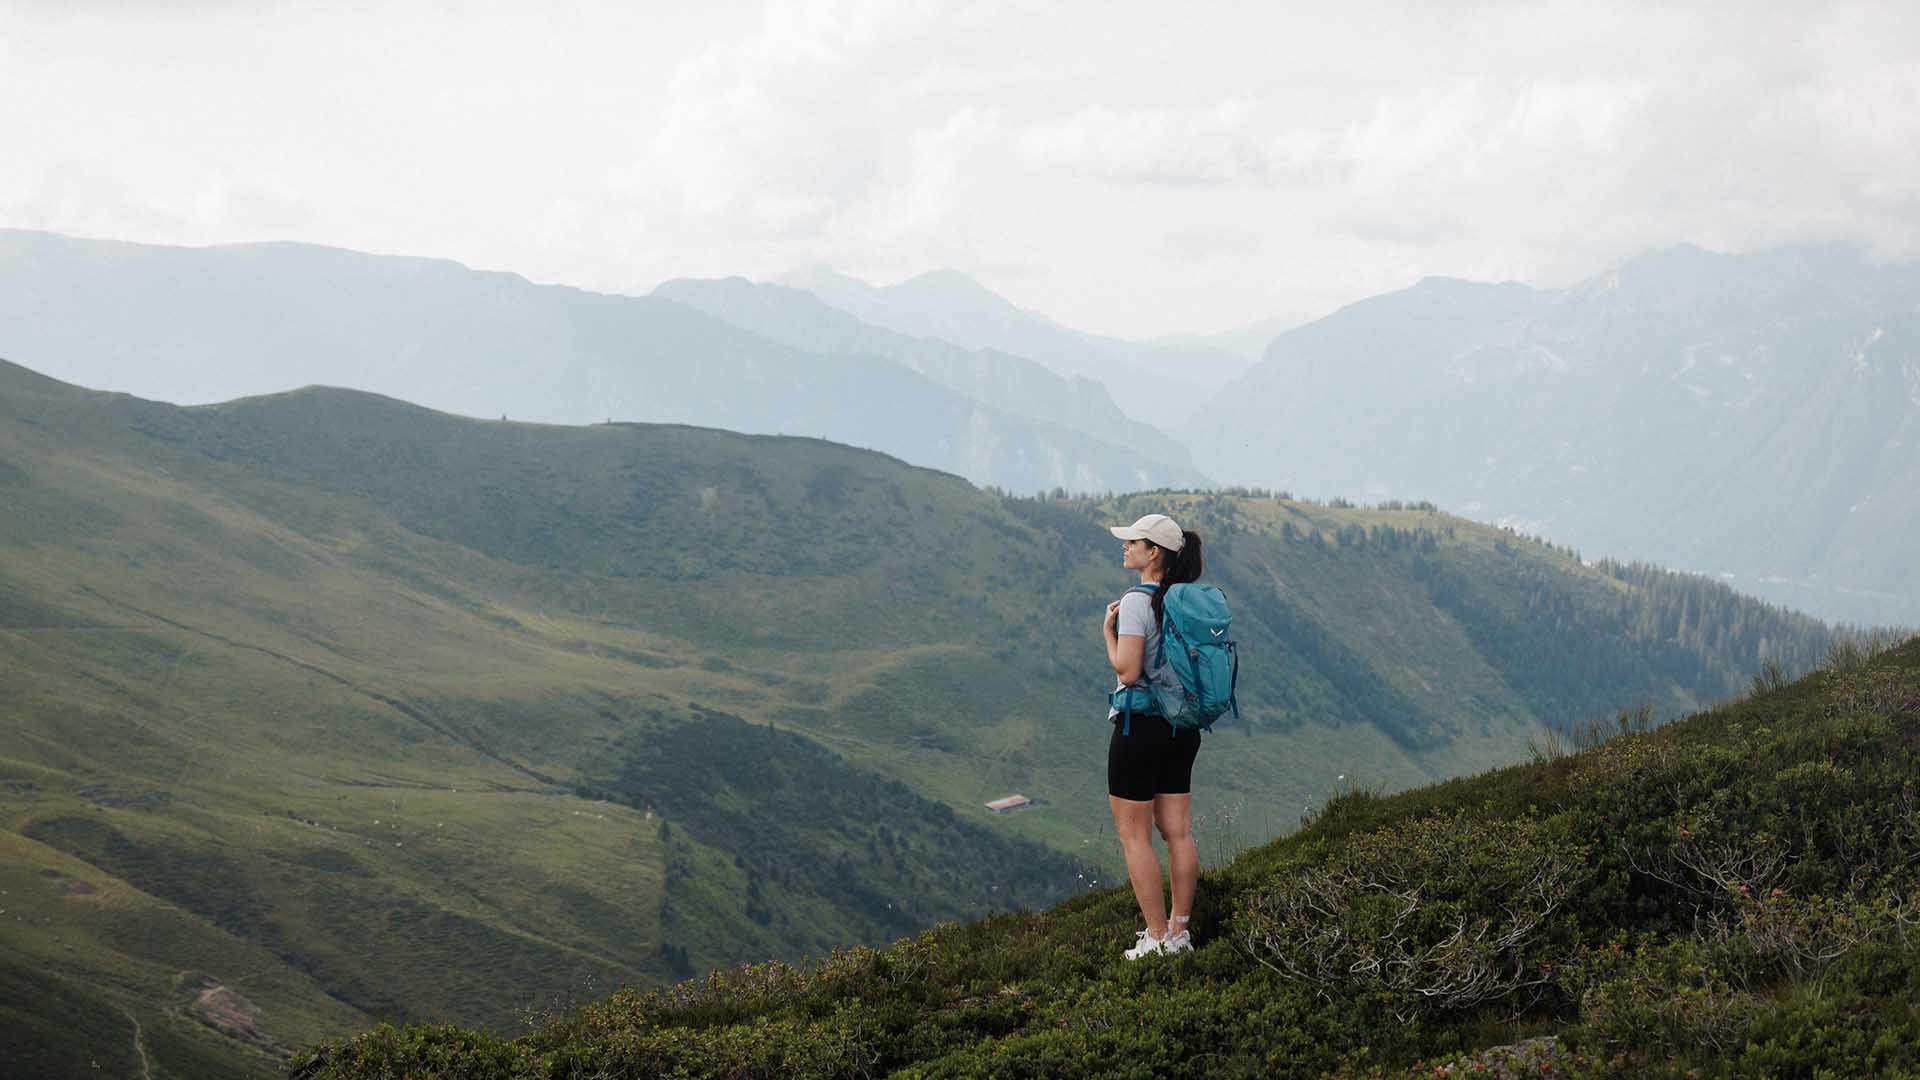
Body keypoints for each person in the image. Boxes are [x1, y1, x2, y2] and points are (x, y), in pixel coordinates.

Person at [1101, 512, 1205, 959]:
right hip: (1183, 727)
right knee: (1178, 832)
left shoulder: (1136, 602)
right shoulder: (1186, 601)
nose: (1125, 547)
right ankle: (1181, 933)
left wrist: (1108, 633)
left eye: (1133, 541)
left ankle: (1157, 937)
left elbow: (1127, 669)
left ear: (1154, 553)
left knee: (1135, 836)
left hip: (1140, 726)